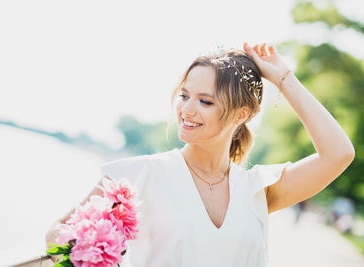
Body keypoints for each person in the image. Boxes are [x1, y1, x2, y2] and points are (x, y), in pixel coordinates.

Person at [45, 42, 355, 267]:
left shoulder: (258, 189)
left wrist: (284, 78)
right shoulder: (137, 176)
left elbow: (338, 153)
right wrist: (97, 252)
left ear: (241, 114)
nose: (187, 110)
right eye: (184, 95)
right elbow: (56, 235)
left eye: (205, 101)